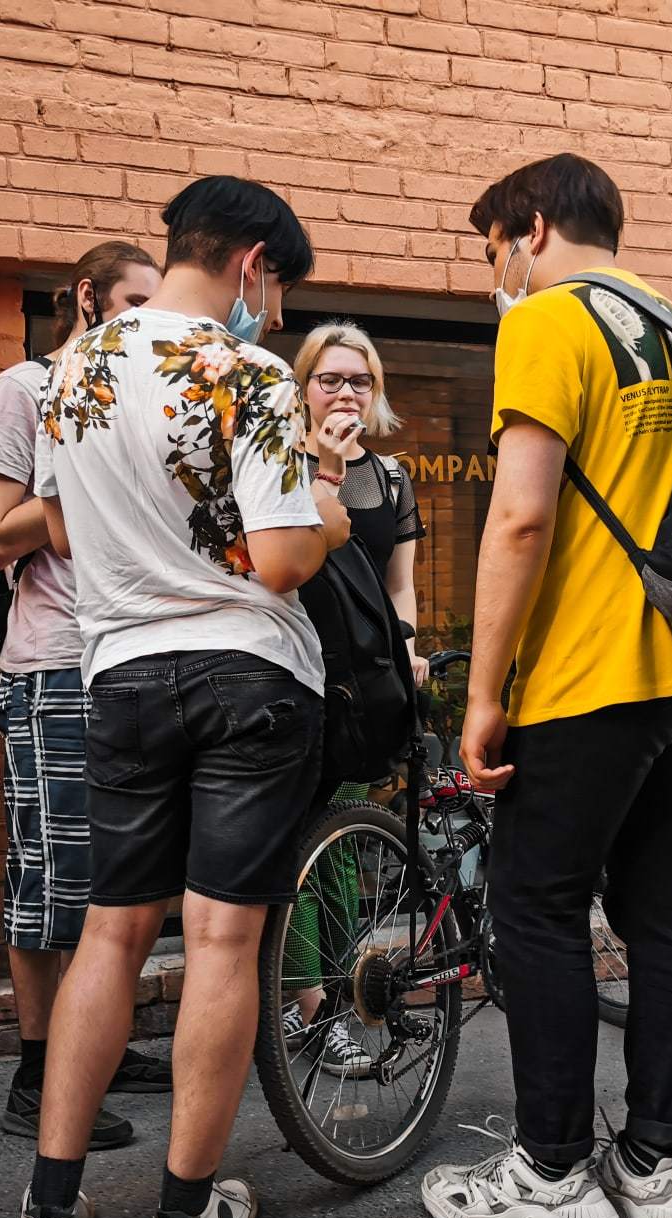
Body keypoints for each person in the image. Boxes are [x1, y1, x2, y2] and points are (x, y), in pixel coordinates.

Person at [420, 154, 672, 1218]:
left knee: (534, 907)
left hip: (594, 670)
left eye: (493, 251)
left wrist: (481, 694)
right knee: (664, 912)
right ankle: (657, 1172)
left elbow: (519, 521)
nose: (498, 276)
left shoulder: (547, 322)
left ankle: (552, 1172)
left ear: (527, 230)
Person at [11, 176, 350, 1218]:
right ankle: (180, 1213)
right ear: (252, 261)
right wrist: (331, 514)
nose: (279, 315)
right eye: (281, 286)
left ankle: (48, 1214)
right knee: (220, 938)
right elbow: (287, 556)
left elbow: (60, 521)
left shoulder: (72, 371)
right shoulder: (243, 374)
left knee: (111, 928)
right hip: (244, 670)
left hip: (116, 672)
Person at [0, 241, 168, 1151]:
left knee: (122, 880)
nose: (141, 323)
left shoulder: (136, 394)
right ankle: (34, 1074)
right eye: (129, 303)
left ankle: (103, 1046)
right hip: (52, 663)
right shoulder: (23, 389)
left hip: (128, 658)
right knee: (53, 885)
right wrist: (88, 494)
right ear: (86, 298)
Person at [280, 321, 428, 1078]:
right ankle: (310, 1010)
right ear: (303, 388)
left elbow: (399, 582)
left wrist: (409, 649)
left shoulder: (391, 478)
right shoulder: (278, 463)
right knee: (299, 850)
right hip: (291, 674)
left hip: (362, 686)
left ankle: (330, 997)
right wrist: (323, 465)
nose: (345, 392)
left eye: (359, 381)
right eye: (330, 379)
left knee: (342, 851)